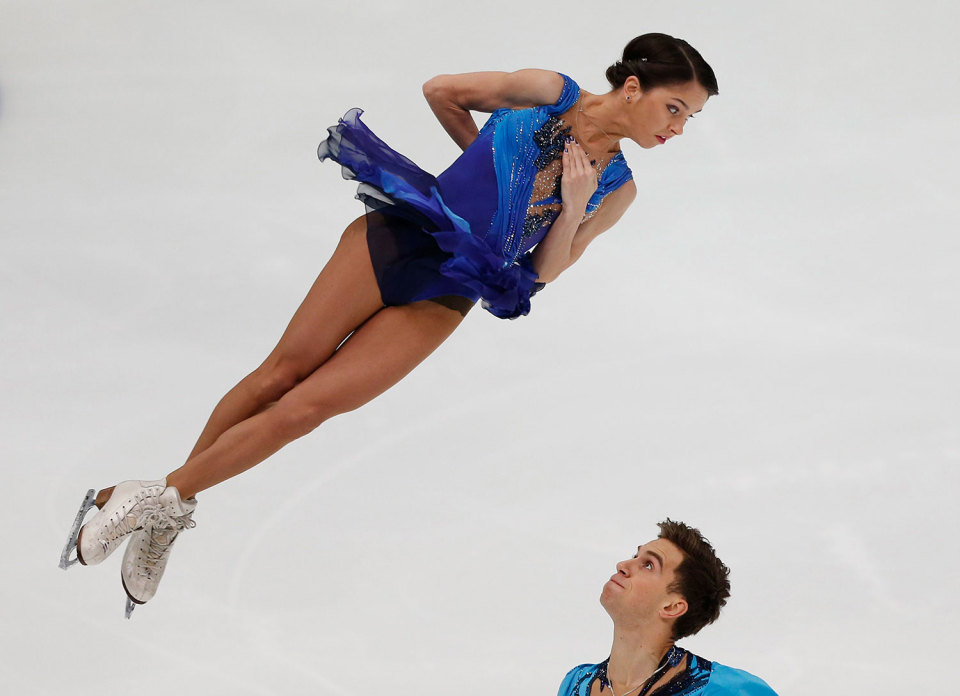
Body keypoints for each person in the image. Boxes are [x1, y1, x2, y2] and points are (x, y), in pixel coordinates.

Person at [59, 34, 719, 616]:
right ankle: (166, 509)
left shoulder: (617, 188)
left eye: (688, 117)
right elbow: (442, 91)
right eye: (674, 108)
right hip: (399, 236)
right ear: (633, 87)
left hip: (450, 290)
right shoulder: (551, 92)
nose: (678, 128)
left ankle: (155, 500)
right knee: (280, 376)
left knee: (307, 408)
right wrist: (485, 158)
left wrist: (572, 207)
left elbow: (544, 272)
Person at [558, 520, 777, 696]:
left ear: (672, 607)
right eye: (635, 556)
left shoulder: (727, 690)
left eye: (648, 565)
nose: (622, 565)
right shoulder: (576, 683)